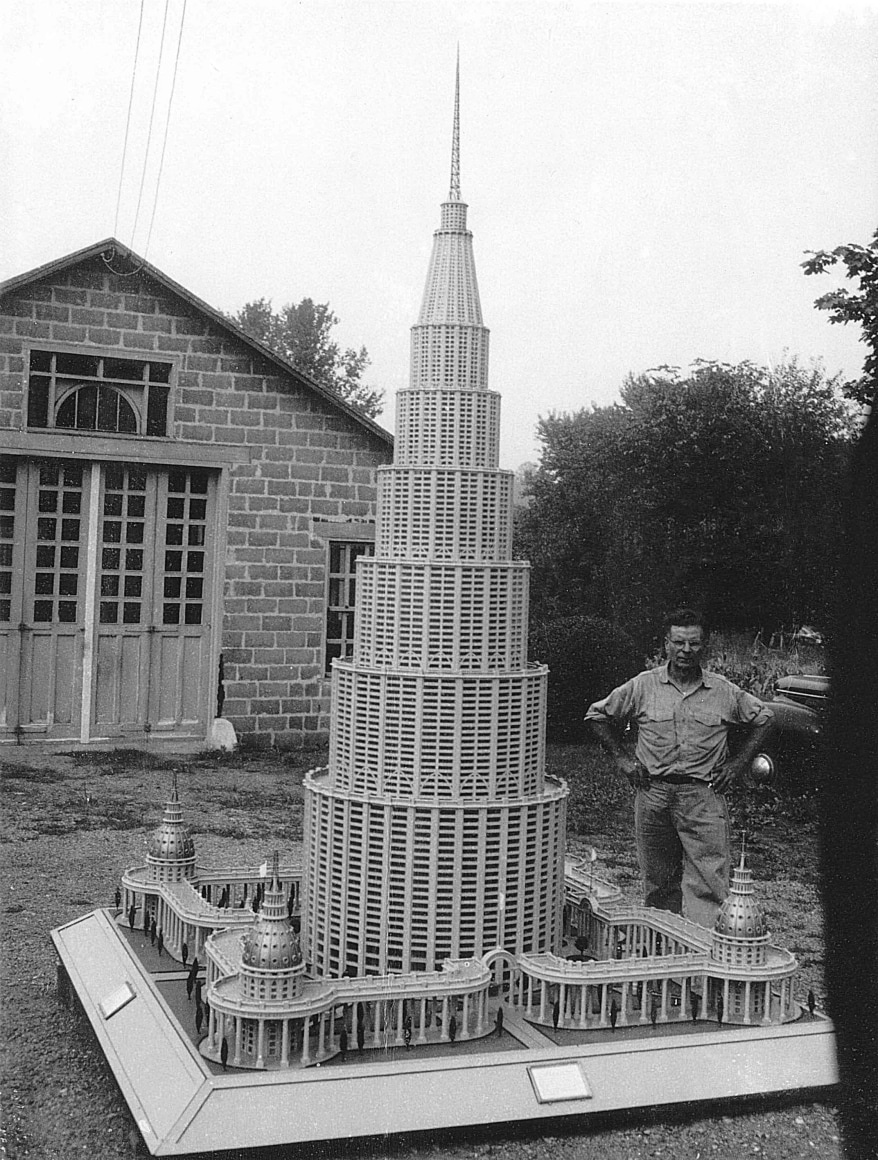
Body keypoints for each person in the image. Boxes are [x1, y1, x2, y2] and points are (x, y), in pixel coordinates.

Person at [586, 608, 773, 930]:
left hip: (702, 797)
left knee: (709, 882)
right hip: (653, 795)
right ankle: (663, 949)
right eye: (679, 642)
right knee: (659, 881)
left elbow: (765, 718)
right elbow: (596, 716)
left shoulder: (724, 691)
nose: (686, 650)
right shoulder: (643, 686)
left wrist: (738, 763)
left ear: (705, 646)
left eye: (694, 644)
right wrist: (622, 759)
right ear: (666, 644)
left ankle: (705, 953)